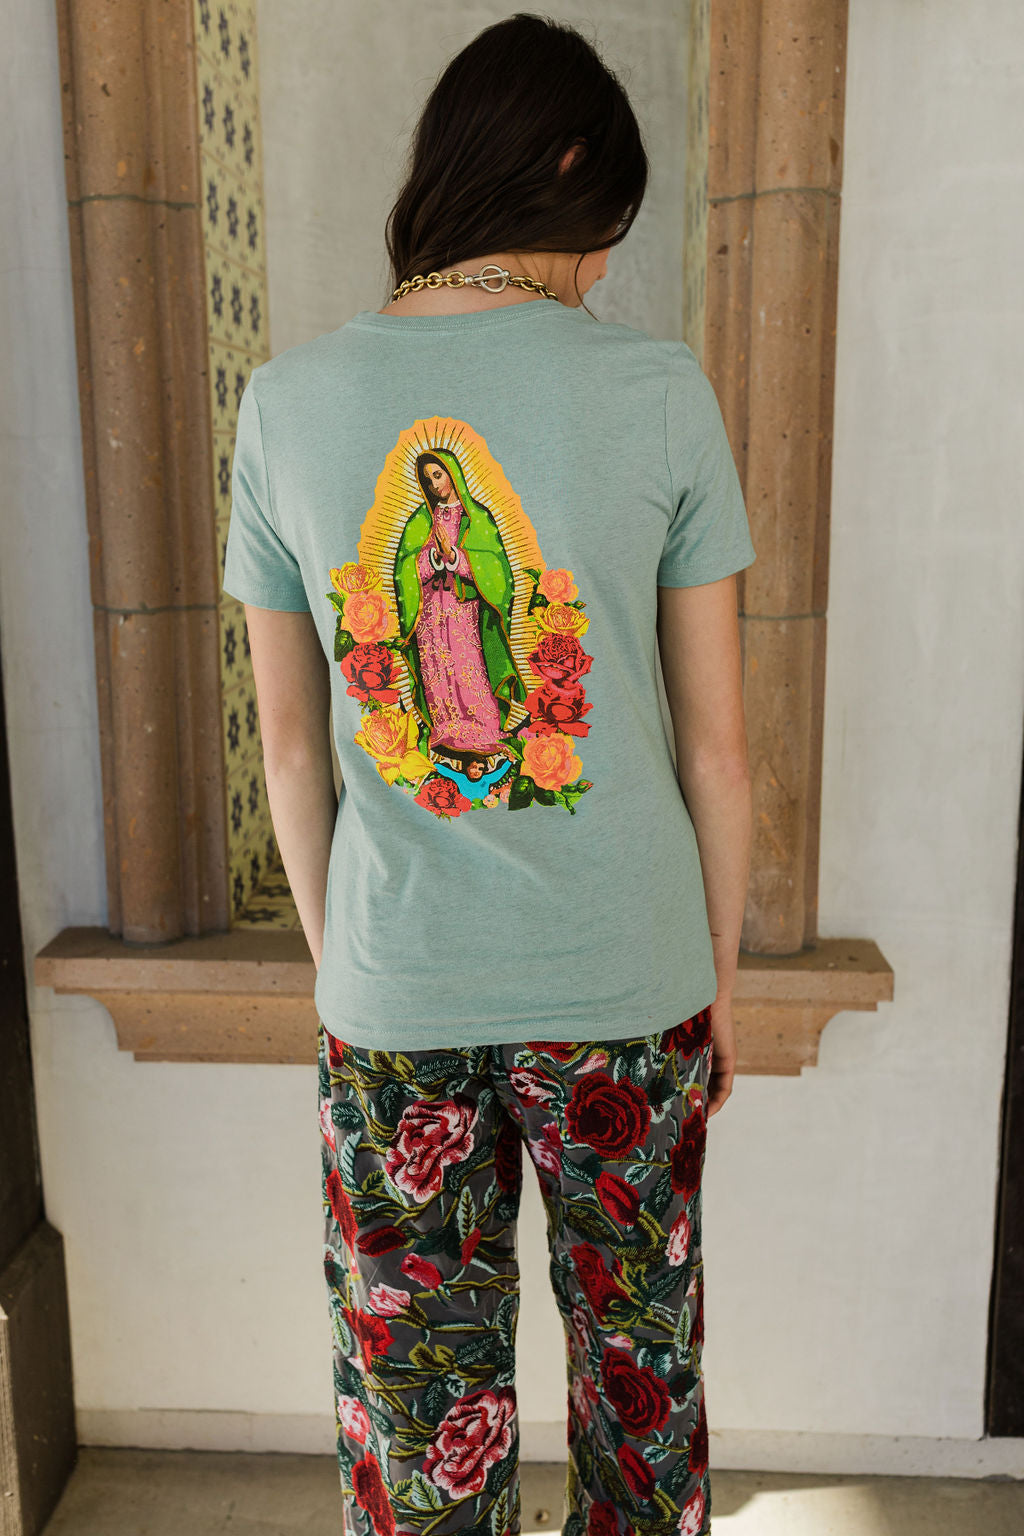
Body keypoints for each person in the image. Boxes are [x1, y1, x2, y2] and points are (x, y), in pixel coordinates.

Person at [222, 14, 754, 1536]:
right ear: (569, 170)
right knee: (640, 1402)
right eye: (608, 228)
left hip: (395, 991)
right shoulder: (661, 390)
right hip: (629, 987)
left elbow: (290, 748)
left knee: (419, 1436)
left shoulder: (285, 405)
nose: (604, 270)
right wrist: (714, 989)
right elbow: (719, 751)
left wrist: (353, 967)